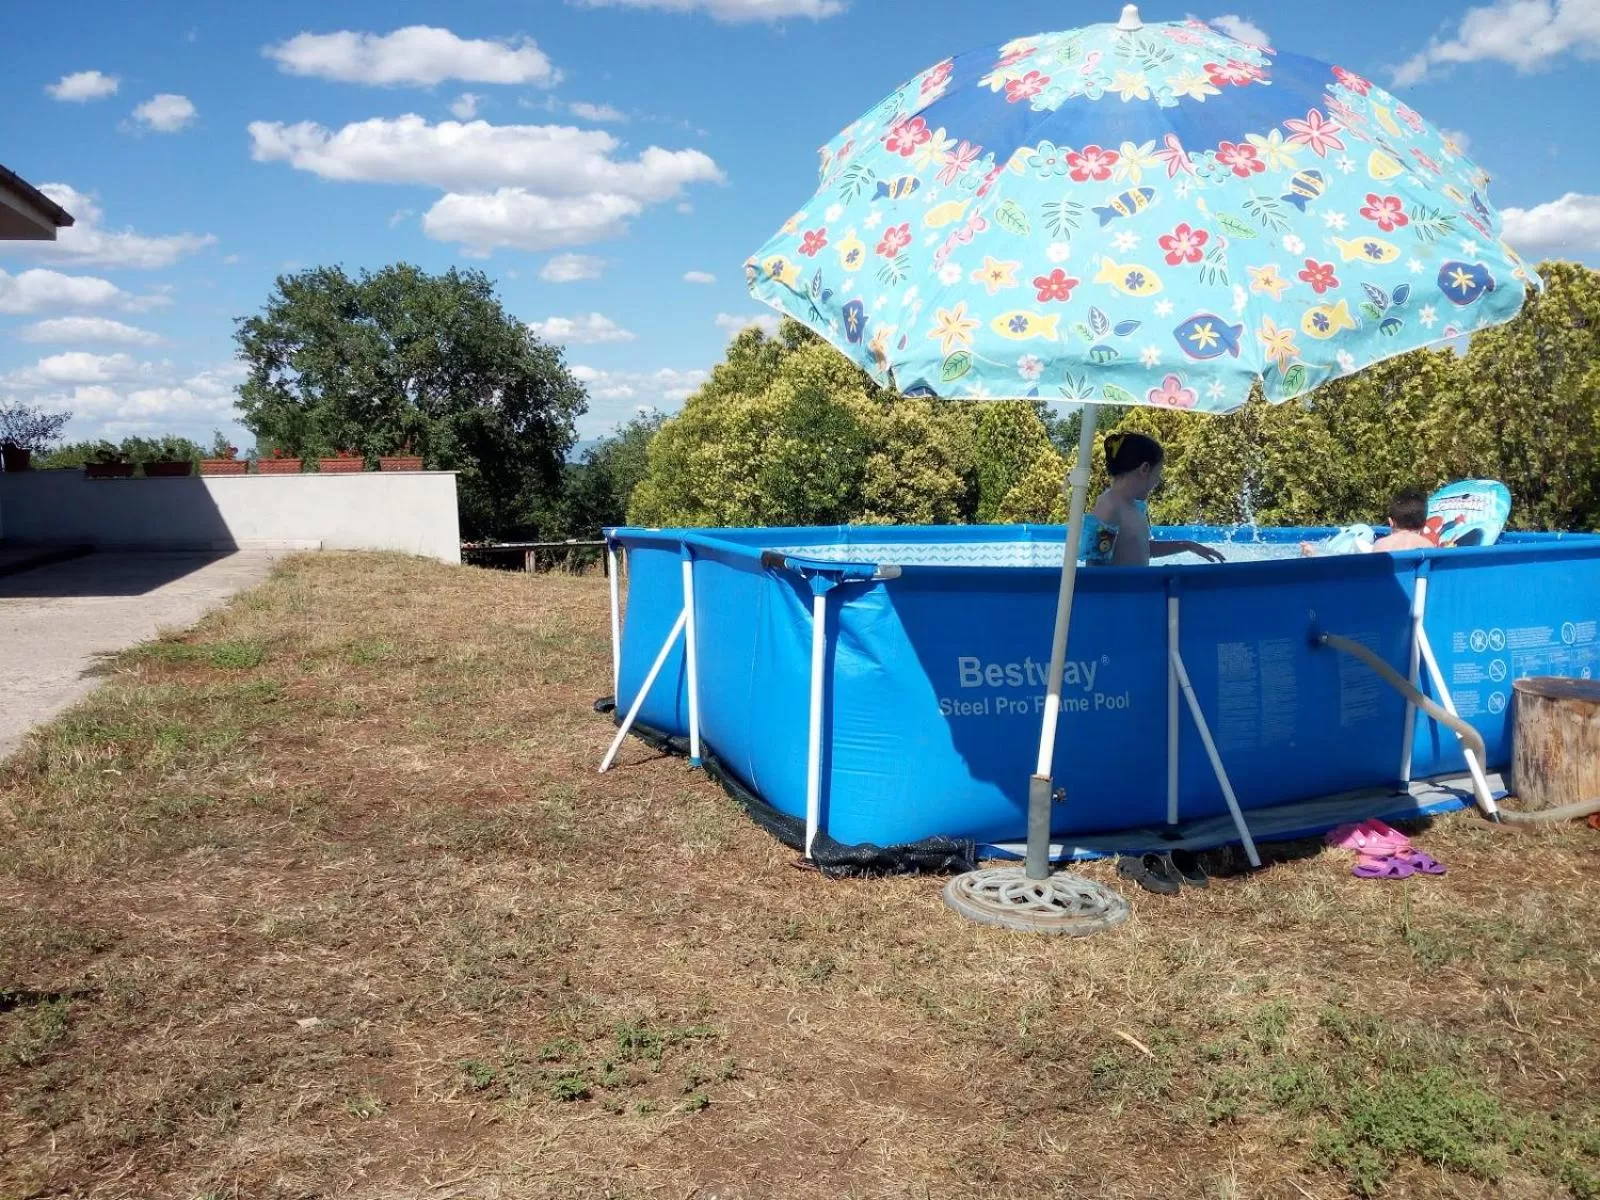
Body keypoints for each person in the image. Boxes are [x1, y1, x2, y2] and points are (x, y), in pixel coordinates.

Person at [1082, 432, 1225, 566]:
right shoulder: (1109, 507)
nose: (1157, 482)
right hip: (1122, 593)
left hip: (1137, 592)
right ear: (1145, 469)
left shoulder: (1133, 506)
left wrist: (1187, 545)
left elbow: (1141, 548)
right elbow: (1095, 566)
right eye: (1157, 474)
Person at [1300, 487, 1435, 556]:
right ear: (1424, 524)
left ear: (1391, 522)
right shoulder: (1429, 546)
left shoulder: (1381, 545)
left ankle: (1313, 554)